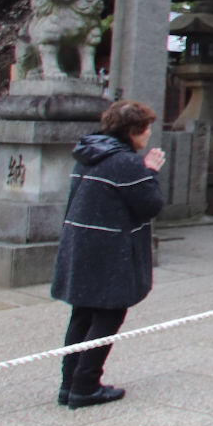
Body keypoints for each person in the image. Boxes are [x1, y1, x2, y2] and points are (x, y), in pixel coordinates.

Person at [52, 99, 165, 409]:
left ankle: (69, 384)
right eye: (146, 129)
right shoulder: (126, 162)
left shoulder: (88, 154)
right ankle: (86, 385)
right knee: (109, 314)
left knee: (82, 313)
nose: (148, 136)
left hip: (82, 242)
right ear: (134, 131)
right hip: (109, 249)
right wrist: (151, 171)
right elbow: (150, 203)